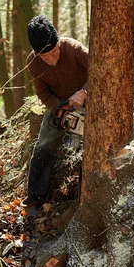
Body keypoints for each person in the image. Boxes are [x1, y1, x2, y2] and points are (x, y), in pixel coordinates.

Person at [23, 15, 88, 211]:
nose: (52, 59)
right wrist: (61, 107)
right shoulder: (33, 62)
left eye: (54, 51)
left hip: (90, 100)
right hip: (60, 106)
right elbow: (42, 93)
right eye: (45, 56)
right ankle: (35, 196)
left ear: (59, 42)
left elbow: (101, 70)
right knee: (44, 143)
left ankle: (86, 189)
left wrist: (85, 92)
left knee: (90, 140)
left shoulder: (74, 49)